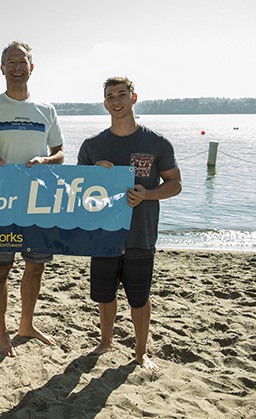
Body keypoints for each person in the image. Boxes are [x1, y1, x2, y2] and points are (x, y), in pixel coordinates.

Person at [77, 76, 182, 371]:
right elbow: (77, 193)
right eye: (110, 96)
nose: (116, 100)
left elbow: (175, 184)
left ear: (134, 98)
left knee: (139, 298)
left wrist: (148, 194)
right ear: (104, 103)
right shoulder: (92, 146)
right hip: (103, 236)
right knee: (105, 295)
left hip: (141, 235)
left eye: (122, 94)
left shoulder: (157, 143)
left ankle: (140, 352)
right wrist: (93, 175)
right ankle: (106, 341)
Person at [0, 41, 65, 357]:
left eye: (22, 61)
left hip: (38, 203)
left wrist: (45, 162)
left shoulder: (47, 110)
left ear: (31, 67)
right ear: (2, 68)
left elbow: (60, 154)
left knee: (35, 267)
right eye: (10, 62)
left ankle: (26, 325)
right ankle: (2, 333)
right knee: (1, 270)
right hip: (0, 205)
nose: (16, 67)